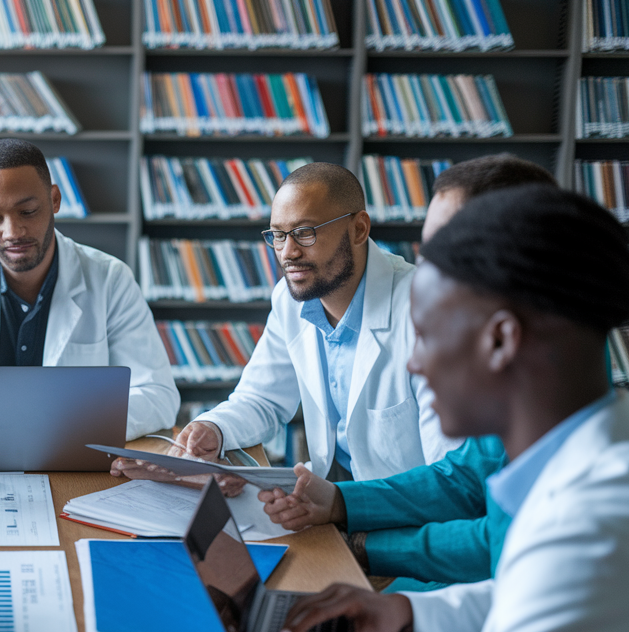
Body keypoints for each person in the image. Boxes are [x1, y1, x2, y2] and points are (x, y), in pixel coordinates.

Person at [231, 185, 629, 632]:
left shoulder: (597, 529)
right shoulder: (601, 466)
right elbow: (534, 595)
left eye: (425, 335)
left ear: (500, 340)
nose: (413, 364)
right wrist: (407, 613)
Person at [260, 155, 559, 593]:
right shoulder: (515, 346)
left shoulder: (536, 368)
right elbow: (469, 479)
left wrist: (361, 546)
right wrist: (342, 505)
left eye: (449, 249)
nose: (430, 271)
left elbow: (493, 543)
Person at [112, 162, 451, 491]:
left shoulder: (428, 312)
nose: (288, 252)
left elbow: (450, 474)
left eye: (304, 233)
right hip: (333, 503)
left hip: (404, 518)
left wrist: (342, 509)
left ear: (359, 229)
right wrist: (213, 428)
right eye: (277, 235)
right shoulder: (291, 300)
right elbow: (262, 398)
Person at [0, 138, 179, 440]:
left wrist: (63, 423)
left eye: (27, 212)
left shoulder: (111, 279)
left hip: (73, 452)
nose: (12, 232)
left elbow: (157, 395)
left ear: (54, 199)